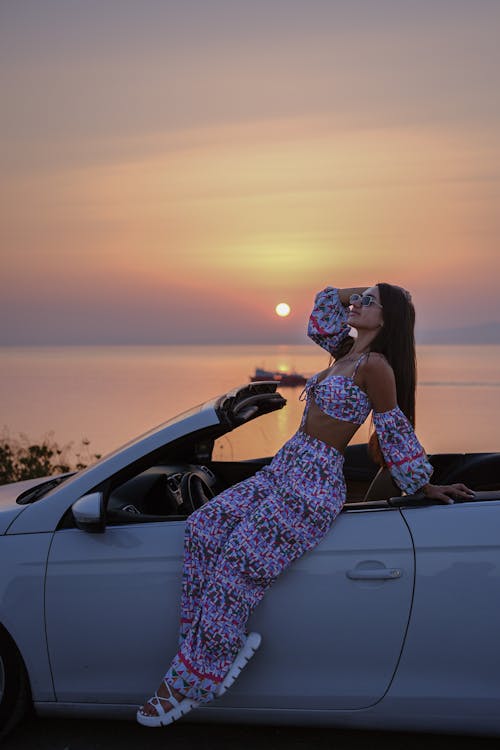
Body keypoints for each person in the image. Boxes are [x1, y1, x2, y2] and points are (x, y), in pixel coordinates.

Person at [137, 283, 475, 727]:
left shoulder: (375, 367)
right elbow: (322, 311)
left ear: (388, 319)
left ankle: (191, 679)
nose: (357, 304)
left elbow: (395, 431)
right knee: (202, 527)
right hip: (285, 468)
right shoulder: (345, 353)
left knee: (238, 565)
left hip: (313, 484)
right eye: (361, 298)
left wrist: (423, 483)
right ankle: (204, 646)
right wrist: (364, 291)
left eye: (369, 302)